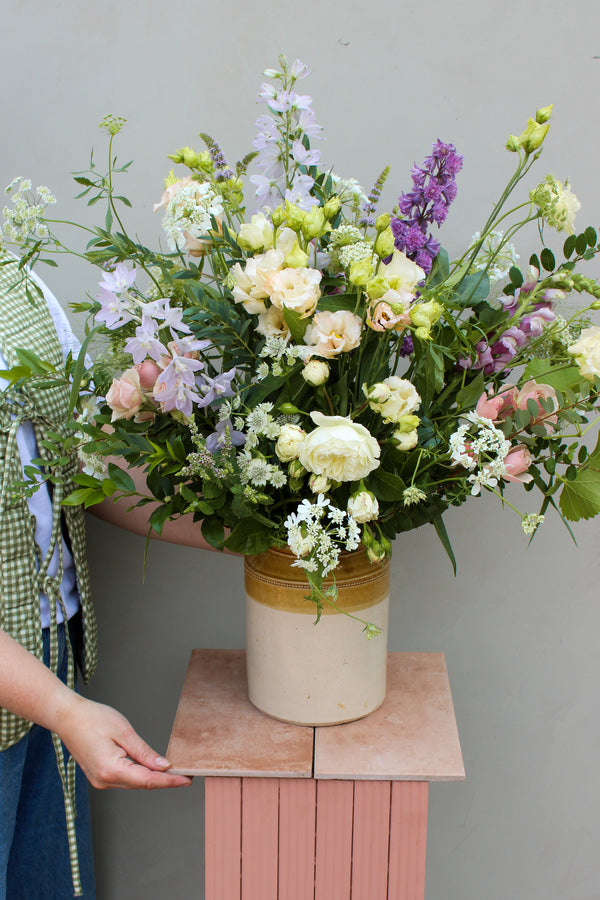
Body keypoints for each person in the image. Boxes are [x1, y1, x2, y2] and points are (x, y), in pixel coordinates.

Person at [0, 251, 212, 899]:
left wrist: (251, 539)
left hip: (42, 662)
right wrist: (64, 711)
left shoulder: (18, 288)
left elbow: (80, 472)